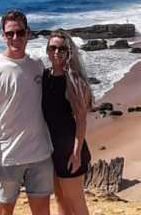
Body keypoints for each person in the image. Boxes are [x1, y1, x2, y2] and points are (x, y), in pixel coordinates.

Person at [0, 10, 54, 215]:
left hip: (40, 155)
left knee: (42, 211)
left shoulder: (37, 66)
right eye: (10, 34)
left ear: (28, 33)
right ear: (3, 36)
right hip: (8, 158)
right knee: (3, 211)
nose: (15, 38)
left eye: (19, 32)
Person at [42, 30, 93, 215]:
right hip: (50, 149)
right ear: (47, 51)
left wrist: (76, 153)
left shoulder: (74, 81)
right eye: (52, 48)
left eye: (61, 49)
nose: (56, 52)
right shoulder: (44, 77)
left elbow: (81, 120)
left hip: (69, 151)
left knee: (76, 202)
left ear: (69, 51)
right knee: (60, 199)